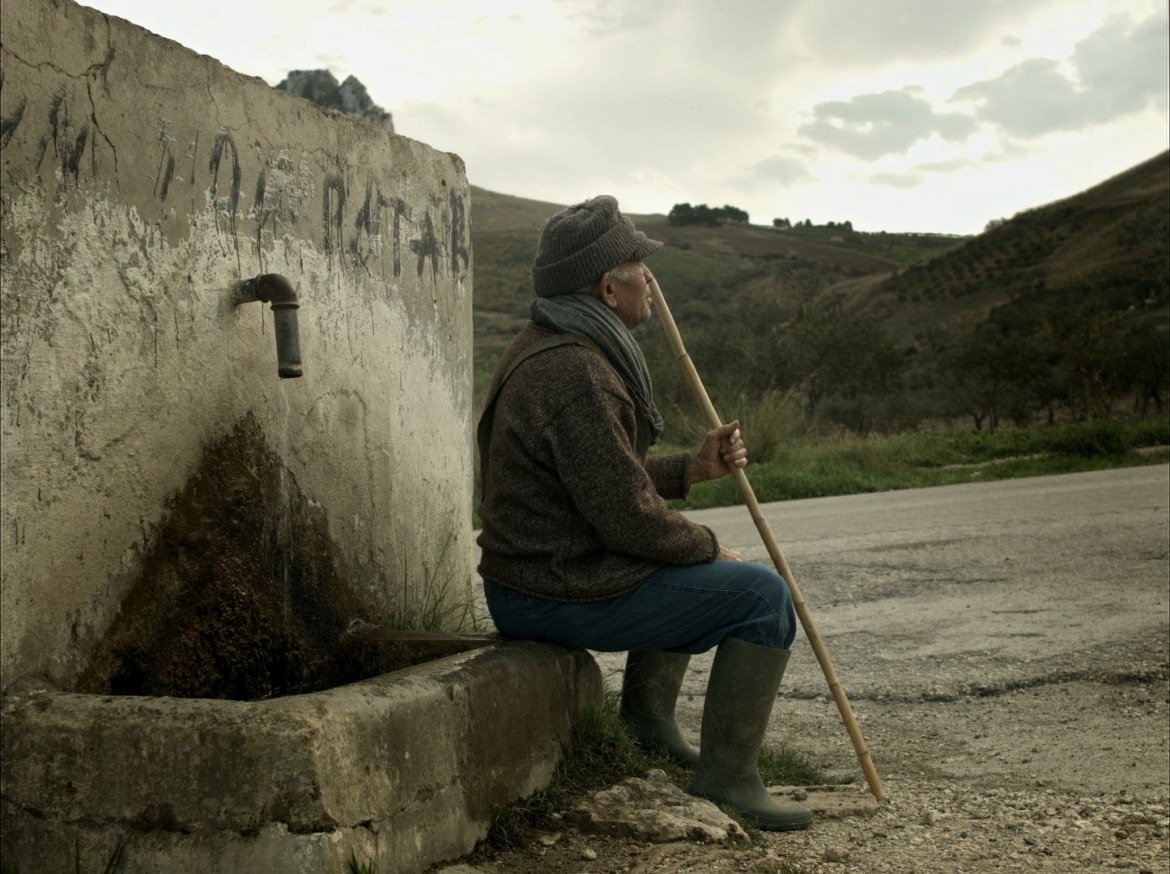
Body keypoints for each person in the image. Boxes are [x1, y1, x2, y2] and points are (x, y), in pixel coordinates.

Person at [475, 195, 812, 831]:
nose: (650, 279)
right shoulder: (576, 371)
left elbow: (598, 480)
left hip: (533, 578)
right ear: (608, 287)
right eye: (638, 265)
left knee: (687, 559)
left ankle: (648, 725)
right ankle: (730, 780)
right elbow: (627, 520)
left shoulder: (554, 345)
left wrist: (692, 469)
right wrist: (709, 546)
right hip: (549, 590)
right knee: (761, 597)